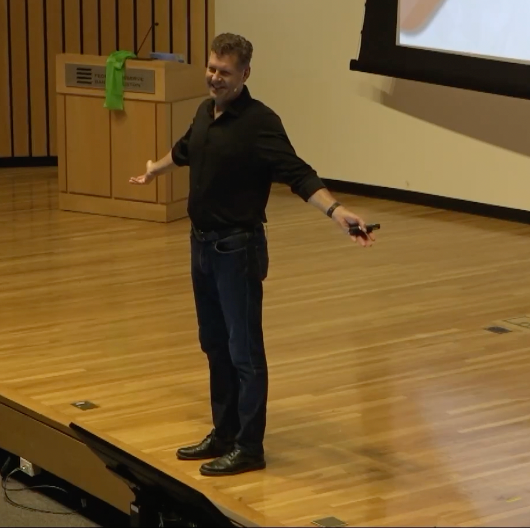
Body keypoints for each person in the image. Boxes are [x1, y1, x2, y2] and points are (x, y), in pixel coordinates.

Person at [129, 33, 374, 476]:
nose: (214, 77)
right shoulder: (205, 112)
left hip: (236, 251)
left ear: (245, 74)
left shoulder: (260, 122)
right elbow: (185, 150)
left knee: (244, 352)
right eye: (211, 68)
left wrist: (336, 211)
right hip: (200, 246)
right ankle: (222, 433)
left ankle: (249, 447)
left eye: (224, 72)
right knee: (214, 345)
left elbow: (297, 173)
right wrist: (154, 170)